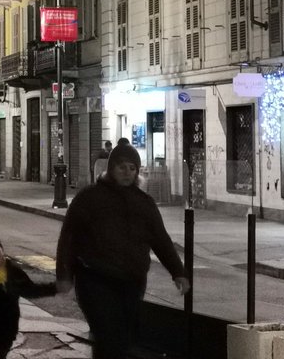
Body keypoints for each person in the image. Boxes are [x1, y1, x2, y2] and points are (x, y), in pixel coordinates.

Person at [54, 141, 189, 359]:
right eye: (122, 167)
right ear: (111, 168)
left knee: (123, 338)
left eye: (132, 168)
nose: (127, 172)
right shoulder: (89, 198)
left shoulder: (144, 203)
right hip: (95, 279)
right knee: (108, 336)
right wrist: (64, 275)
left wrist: (178, 271)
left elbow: (160, 239)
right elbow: (68, 237)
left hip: (131, 282)